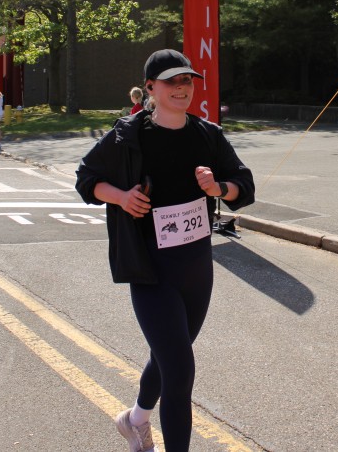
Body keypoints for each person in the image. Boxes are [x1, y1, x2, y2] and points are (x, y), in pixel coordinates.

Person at [75, 49, 255, 452]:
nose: (181, 88)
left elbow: (244, 185)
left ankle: (135, 420)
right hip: (150, 270)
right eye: (171, 81)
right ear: (150, 88)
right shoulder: (128, 136)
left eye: (186, 80)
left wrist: (219, 188)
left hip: (196, 269)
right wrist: (121, 197)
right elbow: (87, 179)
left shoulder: (208, 135)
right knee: (179, 370)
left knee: (169, 356)